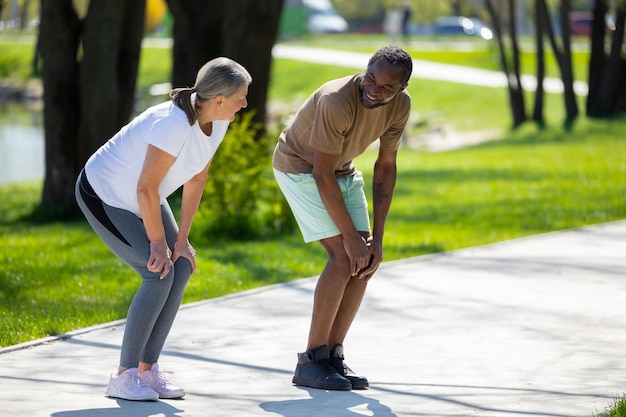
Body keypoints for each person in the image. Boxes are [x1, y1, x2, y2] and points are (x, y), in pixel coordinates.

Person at [75, 57, 252, 401]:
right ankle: (123, 376)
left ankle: (147, 371)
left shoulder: (218, 121)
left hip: (143, 195)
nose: (245, 103)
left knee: (181, 264)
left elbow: (197, 178)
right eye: (241, 97)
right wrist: (157, 244)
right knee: (156, 270)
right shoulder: (172, 124)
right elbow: (146, 188)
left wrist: (181, 240)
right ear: (219, 100)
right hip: (105, 193)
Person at [272, 45, 412, 390]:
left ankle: (333, 357)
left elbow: (386, 166)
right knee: (342, 256)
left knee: (364, 264)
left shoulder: (400, 107)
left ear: (401, 90)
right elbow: (320, 173)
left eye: (385, 88)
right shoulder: (337, 99)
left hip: (343, 172)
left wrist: (376, 240)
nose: (373, 90)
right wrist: (351, 237)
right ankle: (310, 361)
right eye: (370, 79)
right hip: (300, 168)